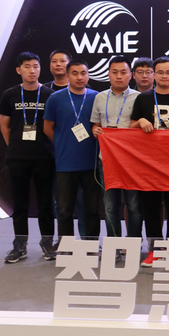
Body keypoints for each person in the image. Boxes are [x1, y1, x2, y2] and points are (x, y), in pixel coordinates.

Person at [131, 56, 169, 267]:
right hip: (149, 162)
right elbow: (131, 126)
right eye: (160, 72)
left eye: (168, 72)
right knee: (151, 208)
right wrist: (141, 121)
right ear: (153, 74)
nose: (164, 76)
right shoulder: (143, 99)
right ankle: (154, 250)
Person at [0, 52, 56, 263]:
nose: (32, 71)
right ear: (18, 70)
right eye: (27, 66)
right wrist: (15, 146)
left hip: (45, 156)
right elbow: (4, 126)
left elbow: (55, 126)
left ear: (40, 69)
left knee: (46, 203)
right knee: (20, 204)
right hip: (17, 158)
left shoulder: (50, 94)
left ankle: (47, 243)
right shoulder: (10, 94)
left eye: (36, 66)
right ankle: (20, 245)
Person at [43, 60, 101, 246]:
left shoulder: (96, 97)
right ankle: (66, 247)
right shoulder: (55, 98)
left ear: (88, 75)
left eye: (83, 73)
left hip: (91, 163)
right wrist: (63, 143)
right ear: (67, 76)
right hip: (65, 164)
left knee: (92, 209)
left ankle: (91, 245)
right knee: (64, 209)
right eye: (75, 73)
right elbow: (47, 128)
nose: (79, 77)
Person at [90, 56, 141, 257]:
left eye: (123, 72)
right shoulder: (100, 98)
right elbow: (96, 124)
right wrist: (95, 131)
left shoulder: (139, 97)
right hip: (107, 159)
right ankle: (114, 246)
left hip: (131, 160)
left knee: (134, 205)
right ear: (108, 74)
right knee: (110, 206)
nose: (119, 76)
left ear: (131, 75)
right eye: (114, 72)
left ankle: (133, 244)